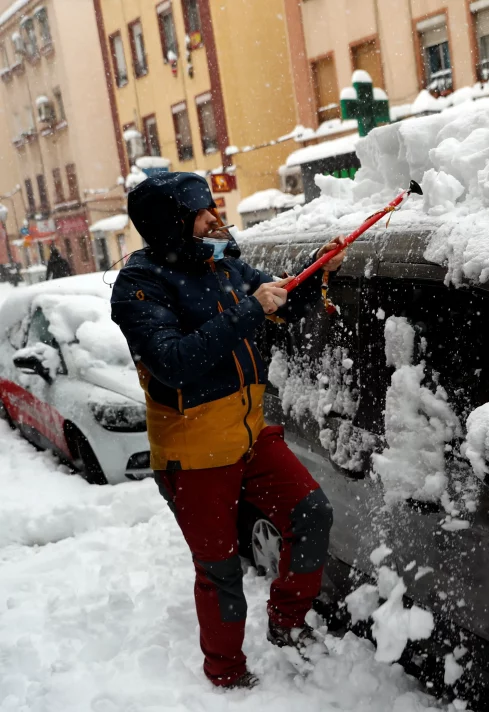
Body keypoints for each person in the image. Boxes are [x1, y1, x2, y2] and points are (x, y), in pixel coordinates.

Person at [110, 172, 342, 689]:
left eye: (214, 206)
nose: (217, 216)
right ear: (172, 224)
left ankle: (287, 624)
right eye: (202, 212)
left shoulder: (223, 263)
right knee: (220, 571)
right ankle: (227, 674)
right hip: (193, 454)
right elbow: (172, 361)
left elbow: (280, 301)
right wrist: (248, 309)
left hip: (249, 433)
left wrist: (316, 271)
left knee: (312, 513)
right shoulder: (139, 286)